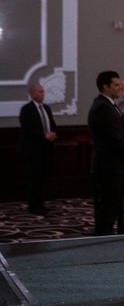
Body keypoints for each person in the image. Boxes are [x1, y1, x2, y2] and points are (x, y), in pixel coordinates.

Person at [88, 71, 124, 236]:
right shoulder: (103, 107)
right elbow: (113, 138)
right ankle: (104, 247)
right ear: (105, 87)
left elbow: (119, 136)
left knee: (109, 209)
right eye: (116, 85)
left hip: (110, 166)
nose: (120, 89)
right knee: (107, 211)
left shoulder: (106, 105)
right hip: (108, 167)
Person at [19, 83, 57, 215]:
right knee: (35, 178)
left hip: (46, 149)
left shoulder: (46, 108)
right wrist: (43, 135)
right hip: (33, 149)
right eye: (40, 92)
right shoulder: (27, 109)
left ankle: (41, 203)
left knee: (43, 178)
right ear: (32, 93)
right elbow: (28, 129)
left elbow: (51, 123)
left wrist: (52, 133)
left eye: (43, 92)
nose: (43, 94)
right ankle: (34, 205)